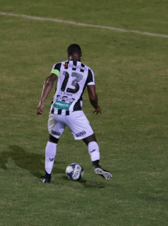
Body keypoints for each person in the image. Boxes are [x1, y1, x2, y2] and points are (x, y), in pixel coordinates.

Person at [36, 44, 112, 183]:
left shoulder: (59, 66)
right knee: (91, 139)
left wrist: (41, 101)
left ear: (68, 54)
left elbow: (50, 80)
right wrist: (96, 106)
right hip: (73, 112)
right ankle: (96, 164)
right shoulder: (88, 71)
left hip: (56, 110)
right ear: (81, 54)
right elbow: (92, 96)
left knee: (53, 140)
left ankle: (47, 176)